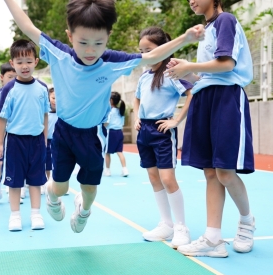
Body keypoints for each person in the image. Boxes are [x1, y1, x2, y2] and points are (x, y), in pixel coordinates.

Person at [2, 0, 204, 233]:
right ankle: (52, 197)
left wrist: (185, 38)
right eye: (83, 42)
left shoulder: (112, 62)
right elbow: (27, 26)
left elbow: (152, 56)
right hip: (65, 134)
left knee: (89, 190)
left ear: (108, 36)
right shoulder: (59, 54)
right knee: (59, 185)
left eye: (98, 43)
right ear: (70, 36)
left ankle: (84, 210)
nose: (90, 50)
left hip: (90, 136)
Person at [165, 0, 255, 257]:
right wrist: (184, 71)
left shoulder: (225, 20)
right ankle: (213, 239)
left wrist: (190, 67)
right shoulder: (206, 29)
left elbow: (226, 65)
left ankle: (247, 221)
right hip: (205, 97)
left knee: (225, 171)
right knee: (210, 173)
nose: (191, 0)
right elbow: (207, 76)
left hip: (226, 98)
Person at [134, 27, 193, 249]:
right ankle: (165, 223)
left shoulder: (170, 73)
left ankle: (180, 227)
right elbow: (137, 99)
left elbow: (191, 93)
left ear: (162, 49)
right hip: (145, 131)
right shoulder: (144, 75)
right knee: (153, 177)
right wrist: (138, 118)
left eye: (148, 50)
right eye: (141, 51)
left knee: (168, 179)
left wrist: (176, 121)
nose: (145, 55)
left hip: (162, 131)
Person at [0, 39, 49, 231]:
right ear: (12, 64)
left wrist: (44, 137)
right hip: (15, 141)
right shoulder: (9, 89)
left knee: (36, 179)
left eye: (28, 61)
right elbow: (2, 118)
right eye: (19, 62)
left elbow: (45, 115)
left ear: (36, 61)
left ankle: (36, 214)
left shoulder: (43, 88)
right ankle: (15, 216)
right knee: (14, 181)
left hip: (36, 141)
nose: (24, 66)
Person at [0, 62, 17, 203]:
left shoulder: (21, 92)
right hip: (1, 134)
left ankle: (19, 188)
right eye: (10, 76)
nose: (13, 79)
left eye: (15, 76)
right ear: (2, 77)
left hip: (17, 134)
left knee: (17, 162)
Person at [103, 91, 129, 177]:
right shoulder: (120, 111)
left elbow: (107, 123)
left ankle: (107, 170)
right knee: (120, 152)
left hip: (111, 133)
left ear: (111, 100)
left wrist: (102, 124)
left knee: (107, 152)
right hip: (119, 132)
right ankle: (125, 169)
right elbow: (122, 123)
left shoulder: (109, 111)